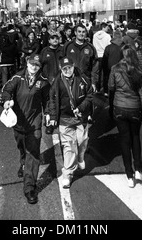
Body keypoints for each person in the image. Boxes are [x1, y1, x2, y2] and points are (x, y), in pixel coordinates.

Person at [0, 54, 50, 204]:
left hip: (34, 122)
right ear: (27, 63)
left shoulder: (44, 82)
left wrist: (47, 114)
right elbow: (6, 90)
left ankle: (30, 187)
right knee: (22, 146)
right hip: (19, 122)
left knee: (33, 153)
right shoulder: (17, 78)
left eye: (37, 65)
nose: (34, 67)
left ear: (40, 66)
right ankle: (22, 161)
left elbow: (48, 100)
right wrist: (6, 101)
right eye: (31, 64)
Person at [48, 56, 93, 188]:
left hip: (80, 118)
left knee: (82, 140)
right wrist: (52, 117)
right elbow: (52, 101)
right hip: (65, 119)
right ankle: (67, 173)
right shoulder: (57, 83)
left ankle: (80, 157)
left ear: (74, 66)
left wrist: (81, 108)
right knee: (69, 146)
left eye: (70, 67)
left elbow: (89, 96)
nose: (68, 70)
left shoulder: (83, 79)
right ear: (61, 69)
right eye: (65, 68)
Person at [109, 45, 142, 188]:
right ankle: (138, 168)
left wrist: (111, 106)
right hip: (135, 108)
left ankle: (129, 175)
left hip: (119, 108)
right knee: (135, 137)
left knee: (124, 140)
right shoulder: (138, 70)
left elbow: (111, 88)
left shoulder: (115, 68)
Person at [63, 23, 99, 93]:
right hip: (69, 80)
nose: (81, 34)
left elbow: (95, 67)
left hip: (85, 80)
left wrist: (94, 82)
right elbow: (61, 62)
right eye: (79, 32)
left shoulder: (90, 48)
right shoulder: (68, 46)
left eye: (83, 32)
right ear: (75, 33)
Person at [102, 28, 124, 97]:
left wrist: (104, 71)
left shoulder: (108, 47)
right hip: (121, 70)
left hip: (110, 69)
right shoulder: (124, 47)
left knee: (111, 88)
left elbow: (104, 61)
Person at [92, 22, 111, 93]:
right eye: (107, 27)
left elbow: (93, 45)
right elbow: (108, 47)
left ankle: (97, 87)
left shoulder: (95, 35)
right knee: (104, 73)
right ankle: (104, 89)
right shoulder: (107, 36)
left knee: (96, 73)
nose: (108, 28)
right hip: (104, 56)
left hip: (97, 55)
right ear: (104, 27)